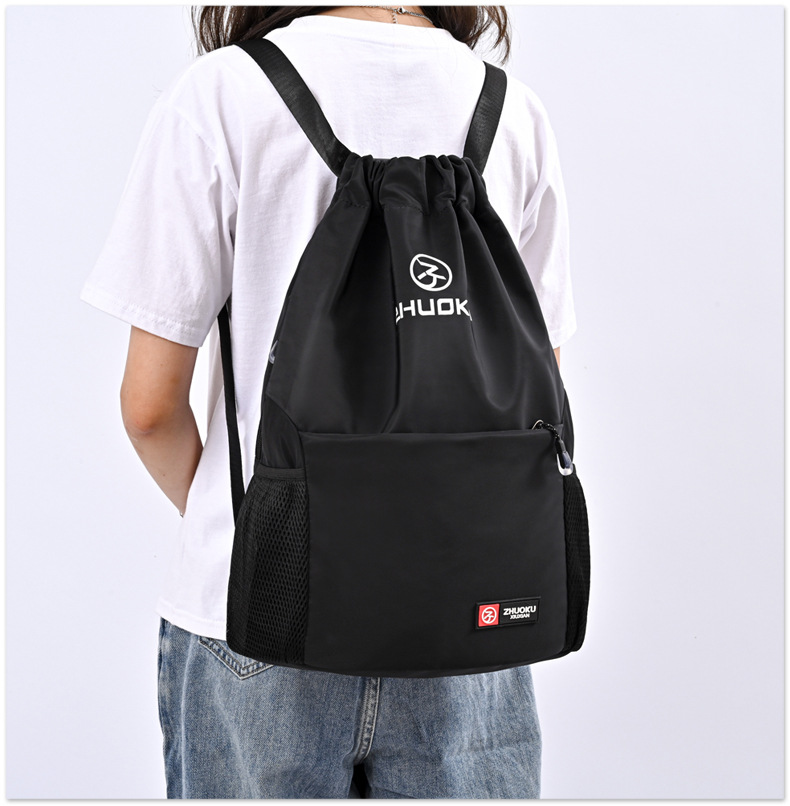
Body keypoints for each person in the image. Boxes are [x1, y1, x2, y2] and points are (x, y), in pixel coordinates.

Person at [80, 5, 577, 798]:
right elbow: (537, 387)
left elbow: (149, 407)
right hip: (468, 613)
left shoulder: (222, 95)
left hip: (259, 621)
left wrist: (264, 530)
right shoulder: (511, 109)